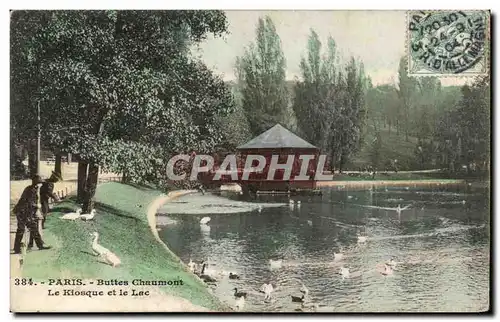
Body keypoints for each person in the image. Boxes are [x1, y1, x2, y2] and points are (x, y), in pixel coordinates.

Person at [12, 175, 51, 254]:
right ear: (35, 182)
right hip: (23, 212)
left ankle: (17, 248)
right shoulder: (31, 190)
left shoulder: (33, 188)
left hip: (25, 211)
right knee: (24, 229)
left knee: (26, 229)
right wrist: (37, 206)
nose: (40, 185)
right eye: (39, 182)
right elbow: (28, 202)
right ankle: (39, 245)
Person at [27, 171, 62, 248]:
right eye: (56, 179)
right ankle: (39, 236)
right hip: (41, 202)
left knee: (37, 221)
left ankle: (31, 243)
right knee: (40, 219)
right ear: (53, 177)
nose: (57, 181)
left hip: (40, 201)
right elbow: (49, 192)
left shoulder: (46, 182)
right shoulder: (49, 183)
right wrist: (56, 198)